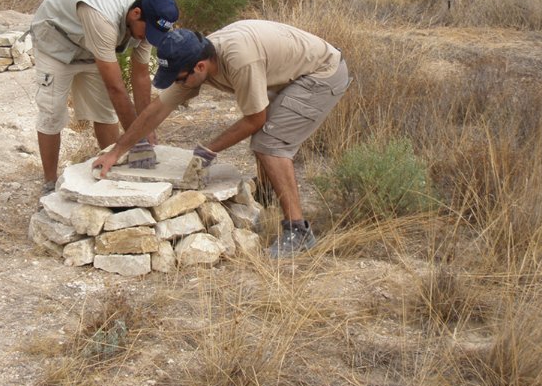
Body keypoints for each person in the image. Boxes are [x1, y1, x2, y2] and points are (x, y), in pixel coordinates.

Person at [93, 20, 351, 257]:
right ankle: (264, 204)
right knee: (265, 137)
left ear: (200, 67)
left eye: (179, 79)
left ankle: (298, 232)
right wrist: (117, 151)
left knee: (269, 144)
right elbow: (157, 110)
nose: (178, 84)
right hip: (290, 74)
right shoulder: (196, 58)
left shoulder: (240, 61)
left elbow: (255, 119)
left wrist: (207, 151)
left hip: (321, 73)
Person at [30, 0, 179, 195]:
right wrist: (137, 141)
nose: (147, 38)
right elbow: (116, 88)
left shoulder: (151, 18)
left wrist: (146, 126)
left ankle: (109, 174)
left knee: (105, 113)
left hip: (93, 49)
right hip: (56, 43)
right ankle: (49, 183)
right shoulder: (103, 16)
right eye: (147, 33)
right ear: (135, 14)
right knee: (52, 113)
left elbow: (140, 77)